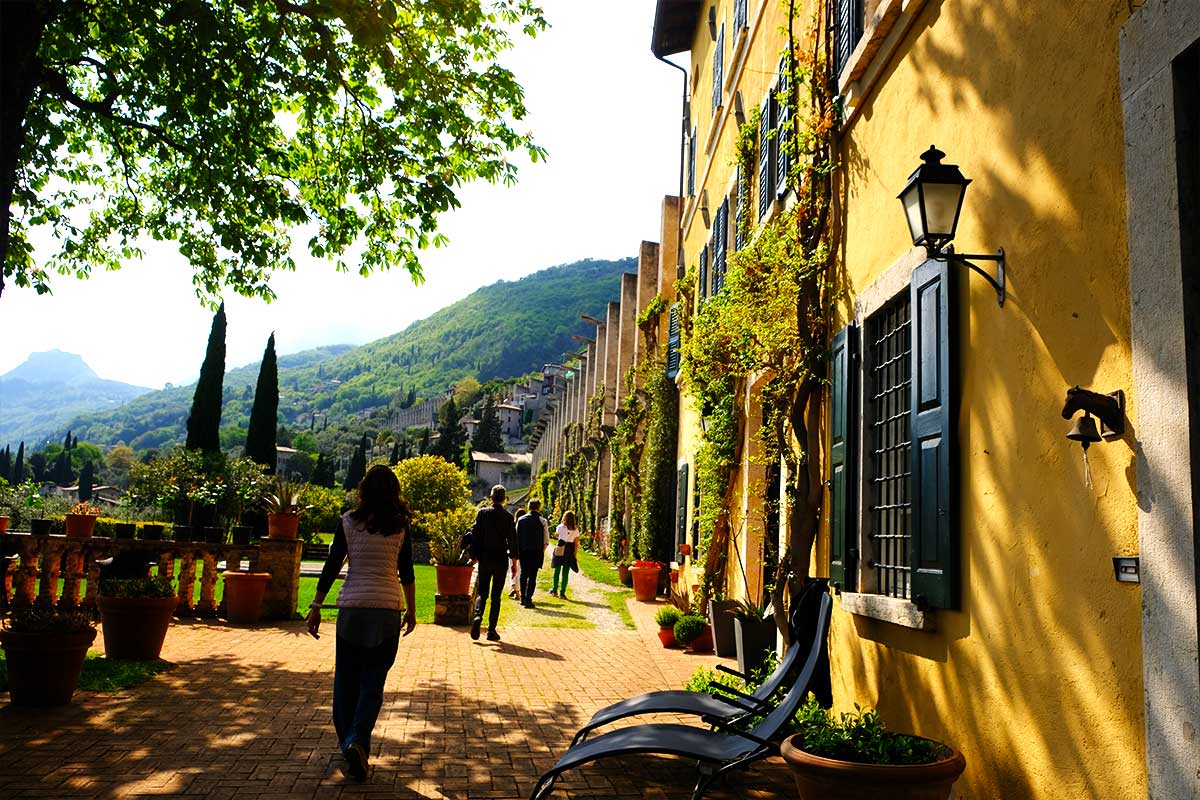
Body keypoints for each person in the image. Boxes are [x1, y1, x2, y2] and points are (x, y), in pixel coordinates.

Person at [306, 465, 416, 783]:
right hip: (385, 612)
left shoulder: (348, 523)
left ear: (364, 490)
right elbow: (406, 573)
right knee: (373, 684)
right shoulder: (400, 526)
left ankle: (350, 742)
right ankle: (358, 741)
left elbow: (331, 565)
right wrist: (410, 611)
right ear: (394, 491)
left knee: (346, 682)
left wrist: (316, 605)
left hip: (352, 611)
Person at [467, 484, 516, 641]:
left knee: (482, 592)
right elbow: (513, 541)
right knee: (496, 596)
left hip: (485, 558)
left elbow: (475, 534)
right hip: (500, 559)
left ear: (491, 498)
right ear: (504, 500)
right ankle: (491, 630)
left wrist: (474, 554)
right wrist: (514, 560)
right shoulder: (508, 518)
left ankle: (477, 616)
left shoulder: (482, 514)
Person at [515, 499, 550, 607]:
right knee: (533, 576)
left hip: (524, 551)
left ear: (528, 507)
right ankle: (528, 599)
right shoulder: (542, 521)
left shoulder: (521, 520)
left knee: (523, 575)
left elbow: (516, 537)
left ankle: (522, 598)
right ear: (538, 508)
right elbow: (546, 540)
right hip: (536, 552)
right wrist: (541, 551)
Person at [549, 510, 581, 599]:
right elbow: (576, 543)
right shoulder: (576, 530)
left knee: (557, 570)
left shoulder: (560, 527)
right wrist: (575, 554)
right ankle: (562, 593)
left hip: (560, 548)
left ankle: (554, 590)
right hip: (569, 550)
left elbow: (556, 536)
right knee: (565, 572)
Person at [508, 507, 525, 599]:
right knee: (520, 571)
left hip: (513, 551)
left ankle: (514, 588)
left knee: (513, 570)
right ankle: (517, 590)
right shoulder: (525, 527)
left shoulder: (514, 526)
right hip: (522, 551)